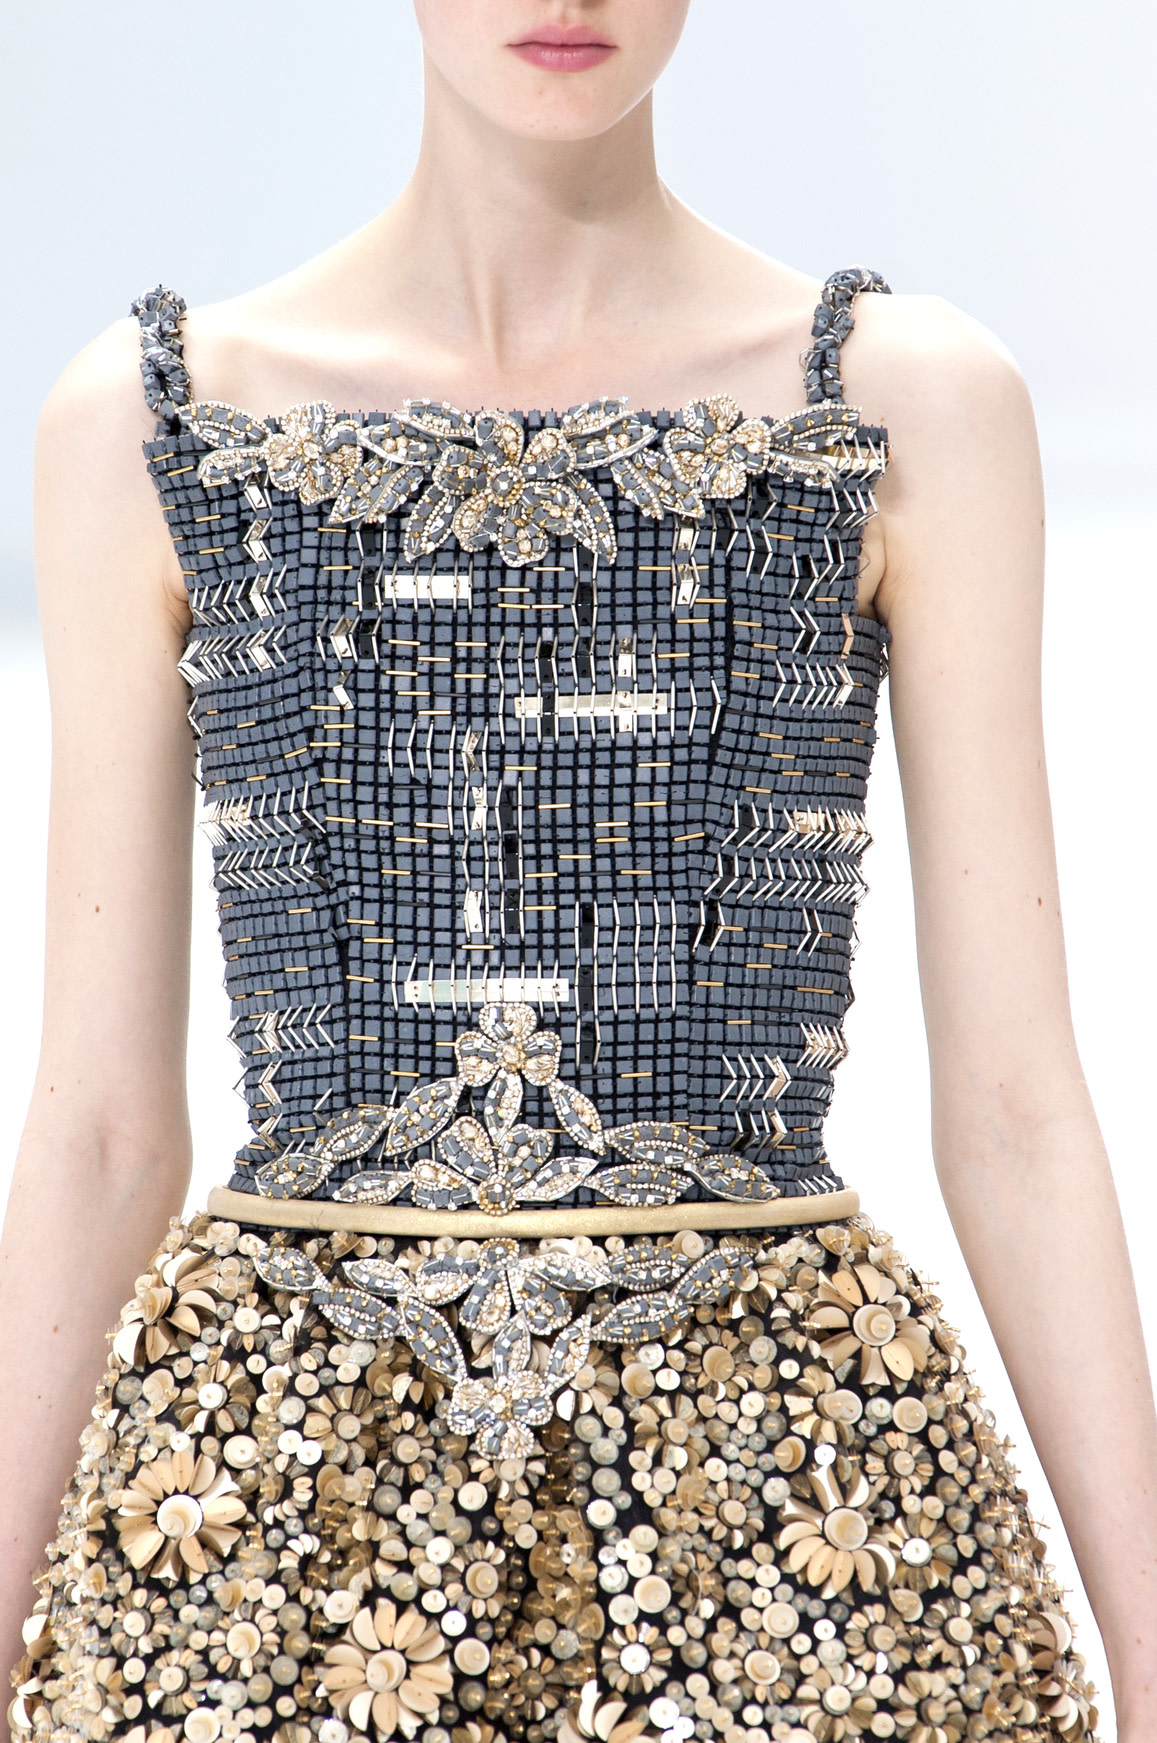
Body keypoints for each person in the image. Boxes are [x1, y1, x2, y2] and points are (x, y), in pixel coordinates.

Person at [3, 4, 1153, 1740]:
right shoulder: (155, 423)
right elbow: (99, 1126)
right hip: (270, 1540)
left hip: (792, 1528)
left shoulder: (899, 405)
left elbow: (1012, 1108)